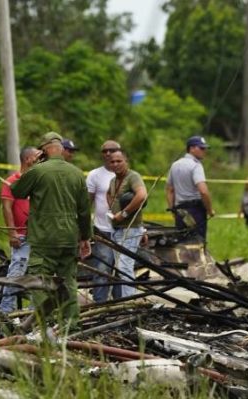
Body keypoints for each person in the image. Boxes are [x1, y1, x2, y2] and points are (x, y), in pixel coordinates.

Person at [10, 131, 92, 333]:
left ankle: (42, 323)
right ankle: (70, 324)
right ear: (62, 149)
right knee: (68, 281)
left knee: (40, 280)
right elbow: (84, 210)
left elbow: (17, 191)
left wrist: (32, 165)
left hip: (44, 238)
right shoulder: (77, 173)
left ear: (43, 150)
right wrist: (85, 237)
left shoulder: (38, 172)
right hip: (69, 238)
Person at [102, 150, 148, 300]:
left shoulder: (133, 176)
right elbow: (108, 194)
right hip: (117, 229)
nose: (115, 164)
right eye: (112, 162)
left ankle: (129, 302)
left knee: (124, 267)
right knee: (119, 267)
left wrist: (124, 214)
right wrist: (112, 209)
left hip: (130, 229)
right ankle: (123, 299)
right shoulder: (113, 181)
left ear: (126, 161)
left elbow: (142, 195)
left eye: (119, 161)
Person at [0, 147, 40, 314]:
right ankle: (6, 310)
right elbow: (7, 208)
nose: (41, 158)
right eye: (37, 155)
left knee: (37, 275)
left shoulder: (39, 181)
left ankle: (32, 313)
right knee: (17, 271)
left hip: (38, 237)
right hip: (21, 236)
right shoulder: (12, 181)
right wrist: (12, 232)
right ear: (28, 159)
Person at [86, 140, 119, 304]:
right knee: (102, 268)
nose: (108, 153)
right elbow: (87, 203)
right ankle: (100, 303)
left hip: (123, 231)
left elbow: (137, 204)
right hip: (103, 230)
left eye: (112, 150)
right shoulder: (95, 175)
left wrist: (141, 229)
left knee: (122, 269)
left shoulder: (129, 175)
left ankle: (122, 303)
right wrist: (83, 229)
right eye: (105, 151)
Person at [167, 136, 214, 242]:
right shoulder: (196, 166)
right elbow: (203, 191)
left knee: (182, 242)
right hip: (195, 210)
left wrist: (172, 210)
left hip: (180, 210)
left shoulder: (175, 165)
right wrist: (210, 210)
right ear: (192, 148)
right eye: (201, 148)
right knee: (197, 242)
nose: (204, 151)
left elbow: (169, 190)